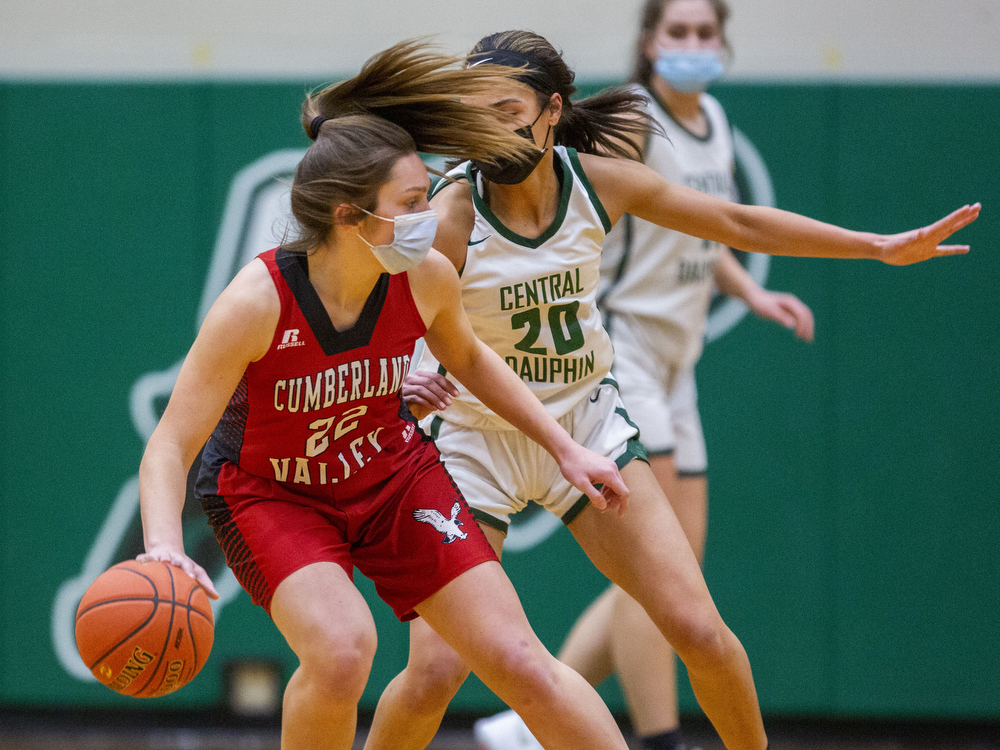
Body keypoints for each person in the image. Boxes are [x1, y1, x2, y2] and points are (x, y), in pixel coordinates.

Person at [357, 29, 979, 750]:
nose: (491, 128)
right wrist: (403, 366)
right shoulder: (454, 210)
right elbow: (381, 309)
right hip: (474, 441)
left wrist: (875, 246)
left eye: (508, 109)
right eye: (476, 112)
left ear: (553, 110)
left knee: (698, 630)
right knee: (435, 672)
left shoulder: (596, 182)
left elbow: (736, 222)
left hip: (587, 424)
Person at [136, 40, 643, 750]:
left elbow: (470, 359)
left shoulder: (424, 275)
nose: (427, 214)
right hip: (273, 493)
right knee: (343, 651)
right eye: (410, 203)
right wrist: (163, 548)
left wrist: (564, 447)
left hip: (390, 474)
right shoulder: (256, 303)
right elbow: (171, 444)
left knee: (519, 660)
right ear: (349, 216)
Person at [473, 3, 814, 750]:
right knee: (659, 582)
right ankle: (655, 732)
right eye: (678, 31)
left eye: (705, 32)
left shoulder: (713, 122)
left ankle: (531, 725)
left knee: (675, 581)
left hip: (674, 357)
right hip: (613, 352)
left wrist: (750, 288)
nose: (693, 45)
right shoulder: (628, 127)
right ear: (649, 43)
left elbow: (704, 223)